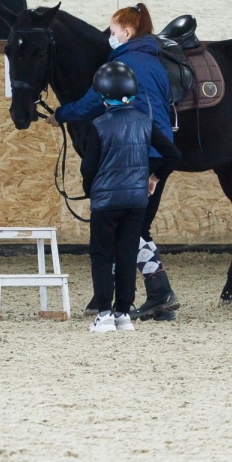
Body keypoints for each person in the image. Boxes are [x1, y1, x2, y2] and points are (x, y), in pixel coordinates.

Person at [47, 3, 181, 319]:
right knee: (135, 228)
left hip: (135, 155)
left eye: (113, 30)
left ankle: (157, 293)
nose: (110, 35)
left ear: (128, 32)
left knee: (128, 231)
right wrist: (156, 173)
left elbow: (92, 102)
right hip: (155, 154)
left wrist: (60, 115)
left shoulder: (124, 65)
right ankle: (139, 298)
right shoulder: (155, 63)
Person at [80, 62, 181, 333]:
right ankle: (123, 314)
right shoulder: (145, 122)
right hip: (137, 201)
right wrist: (153, 178)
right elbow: (172, 154)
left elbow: (88, 168)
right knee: (126, 255)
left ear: (102, 96)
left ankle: (103, 315)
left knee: (102, 256)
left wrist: (91, 191)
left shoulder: (98, 126)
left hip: (105, 203)